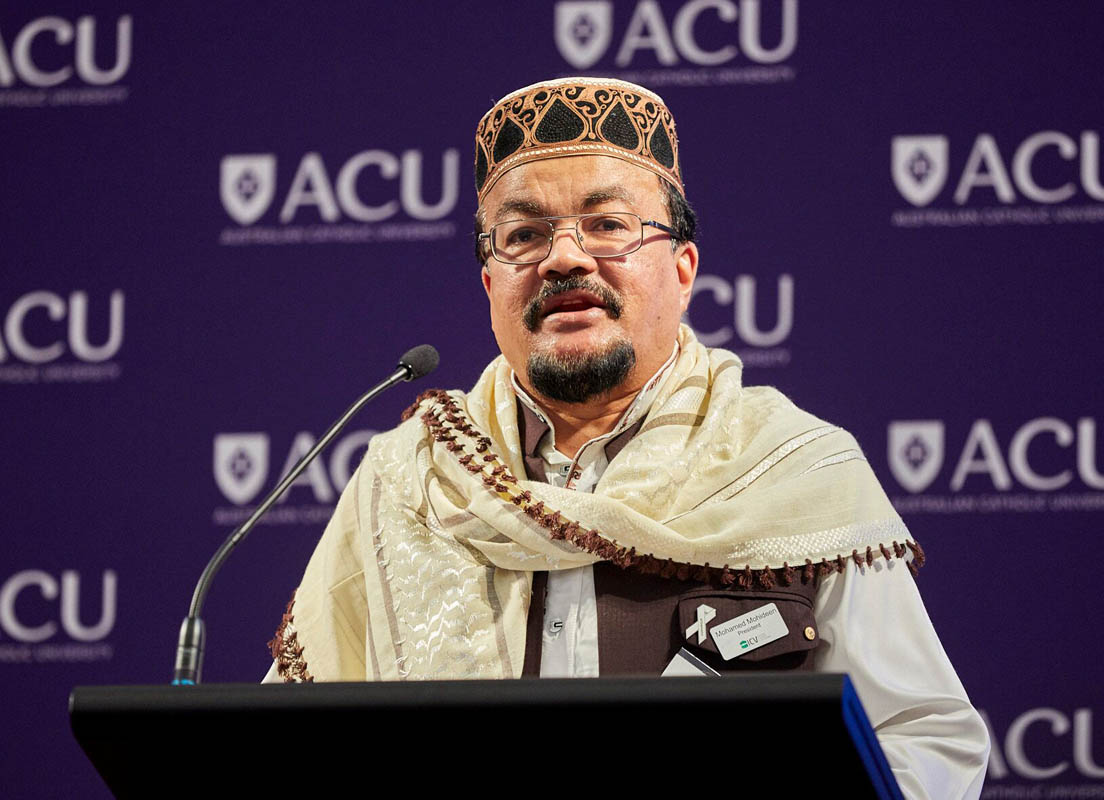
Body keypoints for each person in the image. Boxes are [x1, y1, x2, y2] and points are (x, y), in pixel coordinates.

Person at [265, 77, 989, 798]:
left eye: (607, 224)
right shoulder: (411, 482)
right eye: (523, 236)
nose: (564, 258)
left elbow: (923, 739)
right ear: (490, 288)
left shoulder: (794, 470)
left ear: (683, 270)